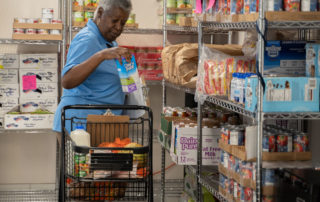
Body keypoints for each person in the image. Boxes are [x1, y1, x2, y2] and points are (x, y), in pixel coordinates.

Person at [53, 0, 132, 133]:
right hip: (80, 125)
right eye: (114, 21)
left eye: (122, 23)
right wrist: (100, 56)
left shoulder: (109, 43)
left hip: (99, 124)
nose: (118, 27)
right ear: (100, 13)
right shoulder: (88, 39)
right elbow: (67, 80)